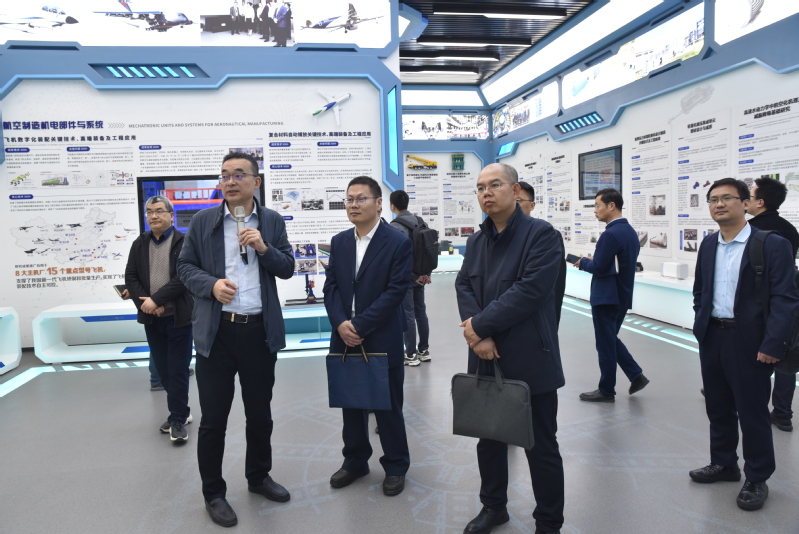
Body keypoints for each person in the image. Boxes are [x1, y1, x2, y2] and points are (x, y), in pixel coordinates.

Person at [178, 152, 295, 527]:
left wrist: (263, 248)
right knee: (213, 419)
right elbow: (184, 267)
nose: (230, 181)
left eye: (239, 174)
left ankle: (259, 477)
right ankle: (213, 493)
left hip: (259, 332)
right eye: (225, 175)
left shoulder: (272, 221)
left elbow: (287, 267)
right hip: (217, 334)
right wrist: (211, 285)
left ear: (256, 182)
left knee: (260, 414)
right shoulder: (203, 221)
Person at [456, 163, 565, 534]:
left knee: (540, 445)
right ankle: (493, 507)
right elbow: (463, 285)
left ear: (516, 191)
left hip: (530, 356)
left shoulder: (542, 235)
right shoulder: (476, 241)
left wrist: (480, 327)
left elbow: (530, 291)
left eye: (495, 185)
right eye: (480, 187)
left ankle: (548, 522)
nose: (486, 193)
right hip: (484, 355)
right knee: (489, 437)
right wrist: (478, 335)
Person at [691, 178, 799, 511]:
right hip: (713, 336)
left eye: (727, 198)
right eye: (713, 200)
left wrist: (773, 343)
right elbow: (700, 291)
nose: (719, 204)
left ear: (745, 203)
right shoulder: (709, 244)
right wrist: (701, 324)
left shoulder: (771, 244)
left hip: (750, 340)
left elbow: (785, 299)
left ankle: (757, 477)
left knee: (752, 411)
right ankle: (724, 463)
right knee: (718, 406)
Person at [323, 176, 413, 498]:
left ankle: (396, 465)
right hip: (344, 336)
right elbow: (331, 287)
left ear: (378, 204)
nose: (353, 205)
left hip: (380, 335)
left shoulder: (397, 242)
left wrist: (359, 325)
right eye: (349, 199)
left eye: (361, 199)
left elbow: (395, 292)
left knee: (388, 407)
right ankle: (355, 461)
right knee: (351, 403)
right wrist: (340, 323)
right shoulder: (340, 242)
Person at [125, 195, 194, 442]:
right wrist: (146, 304)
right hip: (152, 318)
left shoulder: (185, 242)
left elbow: (183, 277)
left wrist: (157, 300)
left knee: (177, 370)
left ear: (171, 215)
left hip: (178, 317)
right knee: (163, 370)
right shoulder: (139, 243)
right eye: (149, 212)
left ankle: (177, 418)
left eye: (159, 211)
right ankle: (182, 411)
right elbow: (131, 277)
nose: (153, 216)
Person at [572, 188, 649, 402]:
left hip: (606, 297)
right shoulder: (630, 232)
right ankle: (636, 375)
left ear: (611, 205)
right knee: (610, 339)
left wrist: (583, 262)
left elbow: (598, 267)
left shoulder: (611, 234)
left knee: (605, 344)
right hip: (621, 295)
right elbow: (614, 263)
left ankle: (607, 390)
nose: (595, 210)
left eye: (598, 206)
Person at [748, 176, 799, 432]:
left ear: (760, 202)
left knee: (752, 359)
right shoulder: (790, 229)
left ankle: (746, 405)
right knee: (785, 358)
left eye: (749, 196)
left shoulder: (750, 231)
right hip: (786, 303)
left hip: (756, 305)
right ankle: (782, 413)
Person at [388, 189, 432, 367]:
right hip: (421, 276)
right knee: (421, 313)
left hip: (406, 278)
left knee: (407, 314)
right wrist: (426, 273)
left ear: (392, 206)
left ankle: (411, 354)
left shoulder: (394, 226)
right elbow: (429, 251)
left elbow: (396, 257)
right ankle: (424, 350)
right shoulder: (421, 222)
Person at [517, 181, 566, 326]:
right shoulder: (496, 237)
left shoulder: (547, 236)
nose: (513, 206)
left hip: (535, 322)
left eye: (518, 201)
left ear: (532, 205)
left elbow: (556, 286)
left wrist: (552, 324)